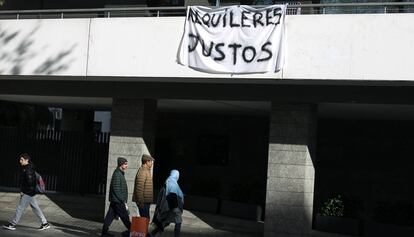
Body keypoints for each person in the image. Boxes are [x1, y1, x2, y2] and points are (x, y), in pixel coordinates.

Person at [3, 153, 50, 231]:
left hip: (28, 192)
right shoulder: (27, 168)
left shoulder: (28, 169)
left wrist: (24, 192)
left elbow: (31, 183)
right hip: (30, 192)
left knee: (20, 208)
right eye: (20, 159)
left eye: (22, 159)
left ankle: (12, 224)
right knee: (36, 208)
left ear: (26, 160)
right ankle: (45, 223)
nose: (20, 161)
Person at [101, 157, 131, 237]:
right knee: (125, 217)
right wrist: (122, 200)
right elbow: (116, 189)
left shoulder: (119, 173)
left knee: (109, 217)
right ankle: (132, 231)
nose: (127, 165)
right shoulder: (117, 174)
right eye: (125, 164)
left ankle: (104, 232)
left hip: (116, 201)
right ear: (121, 164)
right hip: (118, 201)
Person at [150, 170, 184, 237]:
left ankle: (151, 234)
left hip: (169, 206)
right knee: (178, 222)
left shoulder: (168, 181)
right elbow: (172, 195)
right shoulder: (173, 184)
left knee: (166, 222)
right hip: (174, 207)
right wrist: (176, 208)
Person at [132, 154, 155, 219]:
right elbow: (139, 188)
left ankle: (141, 229)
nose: (152, 164)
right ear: (146, 162)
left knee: (145, 219)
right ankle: (140, 229)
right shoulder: (143, 171)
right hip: (143, 202)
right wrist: (141, 202)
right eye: (151, 162)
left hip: (146, 201)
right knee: (145, 219)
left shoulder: (146, 171)